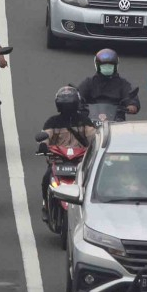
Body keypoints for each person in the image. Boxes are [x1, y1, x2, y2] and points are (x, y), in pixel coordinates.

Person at [37, 86, 97, 220]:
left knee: (92, 181)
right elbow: (45, 136)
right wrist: (43, 145)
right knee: (46, 178)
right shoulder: (52, 122)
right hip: (58, 160)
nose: (67, 109)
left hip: (80, 161)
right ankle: (46, 205)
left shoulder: (84, 121)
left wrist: (97, 146)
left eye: (70, 105)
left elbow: (93, 137)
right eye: (64, 106)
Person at [76, 49, 140, 117]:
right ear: (97, 66)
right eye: (104, 66)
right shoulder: (89, 82)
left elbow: (130, 97)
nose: (107, 68)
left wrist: (132, 106)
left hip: (116, 119)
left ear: (116, 66)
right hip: (90, 120)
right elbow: (79, 95)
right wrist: (76, 102)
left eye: (110, 66)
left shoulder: (122, 83)